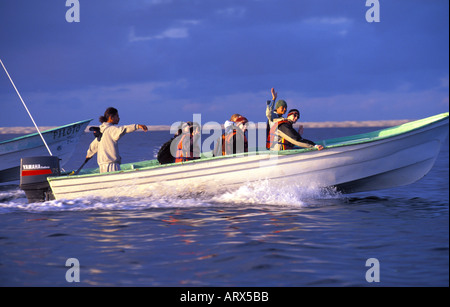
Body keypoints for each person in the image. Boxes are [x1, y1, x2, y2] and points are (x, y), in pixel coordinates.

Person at [86, 107, 148, 173]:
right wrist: (137, 126)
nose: (119, 118)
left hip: (102, 165)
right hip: (111, 165)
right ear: (111, 117)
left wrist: (88, 155)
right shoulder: (111, 129)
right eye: (117, 116)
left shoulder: (101, 131)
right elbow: (124, 129)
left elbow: (94, 145)